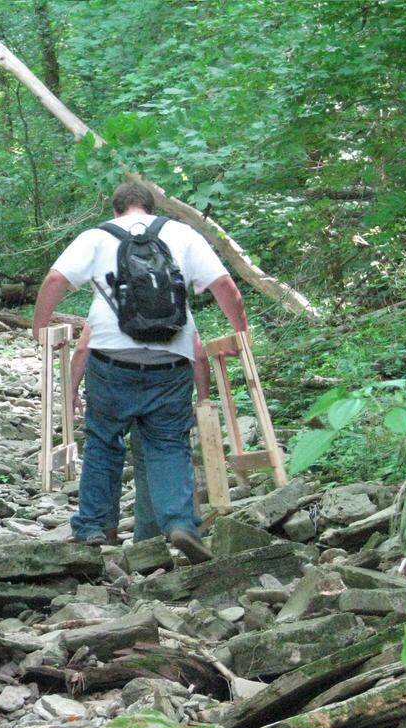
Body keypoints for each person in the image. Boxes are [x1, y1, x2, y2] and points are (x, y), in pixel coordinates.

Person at [33, 180, 248, 563]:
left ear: (116, 210)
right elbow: (226, 287)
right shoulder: (183, 234)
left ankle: (95, 528)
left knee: (103, 441)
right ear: (151, 208)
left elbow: (54, 281)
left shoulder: (97, 238)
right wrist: (241, 335)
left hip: (112, 362)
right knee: (168, 444)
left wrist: (40, 327)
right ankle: (180, 524)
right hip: (171, 363)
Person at [70, 323, 214, 545]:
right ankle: (161, 532)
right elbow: (199, 354)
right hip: (167, 380)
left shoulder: (111, 297)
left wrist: (71, 390)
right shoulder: (172, 300)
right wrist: (203, 398)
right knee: (162, 452)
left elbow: (82, 348)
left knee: (103, 447)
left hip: (111, 378)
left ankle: (97, 528)